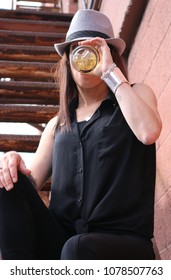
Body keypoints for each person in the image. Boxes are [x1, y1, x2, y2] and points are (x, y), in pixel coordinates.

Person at [0, 9, 162, 260]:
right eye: (77, 48)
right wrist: (11, 163)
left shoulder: (136, 94)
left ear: (110, 54)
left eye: (95, 48)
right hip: (64, 244)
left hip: (123, 244)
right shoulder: (57, 125)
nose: (85, 55)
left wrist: (110, 73)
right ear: (67, 59)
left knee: (77, 248)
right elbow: (29, 186)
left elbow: (149, 132)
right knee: (6, 183)